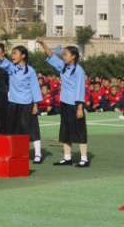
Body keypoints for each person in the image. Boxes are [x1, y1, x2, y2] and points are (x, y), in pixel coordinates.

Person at [37, 38, 89, 167]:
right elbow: (51, 56)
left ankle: (84, 159)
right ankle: (67, 158)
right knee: (65, 130)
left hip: (75, 105)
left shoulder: (79, 70)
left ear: (74, 56)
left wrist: (80, 108)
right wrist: (42, 44)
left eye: (66, 54)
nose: (63, 56)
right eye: (63, 54)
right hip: (65, 103)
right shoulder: (64, 66)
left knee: (79, 130)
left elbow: (80, 89)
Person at [0, 44, 43, 164]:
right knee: (12, 129)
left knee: (32, 129)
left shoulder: (30, 70)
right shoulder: (11, 67)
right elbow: (1, 58)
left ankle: (38, 154)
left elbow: (35, 88)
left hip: (27, 103)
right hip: (13, 103)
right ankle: (14, 152)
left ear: (23, 55)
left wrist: (35, 105)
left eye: (15, 53)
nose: (12, 55)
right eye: (12, 53)